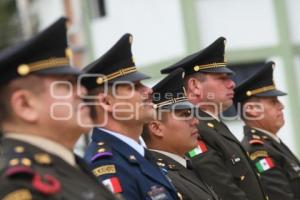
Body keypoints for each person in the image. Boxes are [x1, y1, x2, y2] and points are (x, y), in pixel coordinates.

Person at [0, 17, 117, 200]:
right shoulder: (18, 184)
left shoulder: (69, 165)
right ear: (24, 105)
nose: (83, 91)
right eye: (67, 85)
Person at [160, 37, 267, 200]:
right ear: (195, 86)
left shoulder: (214, 126)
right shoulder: (197, 128)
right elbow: (224, 190)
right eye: (222, 78)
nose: (232, 84)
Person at [82, 33, 179, 200]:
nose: (148, 91)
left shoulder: (138, 153)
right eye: (135, 86)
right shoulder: (106, 166)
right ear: (106, 102)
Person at [142, 68, 220, 200]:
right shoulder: (161, 178)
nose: (195, 121)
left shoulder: (184, 167)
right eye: (185, 115)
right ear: (156, 128)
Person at [231, 61, 300, 200]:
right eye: (273, 101)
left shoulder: (272, 144)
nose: (282, 106)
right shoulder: (257, 151)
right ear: (251, 109)